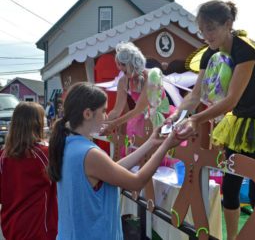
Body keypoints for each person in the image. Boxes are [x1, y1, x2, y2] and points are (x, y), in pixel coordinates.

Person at [164, 0, 255, 240]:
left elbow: (232, 99)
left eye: (211, 29)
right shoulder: (208, 54)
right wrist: (177, 115)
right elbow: (196, 94)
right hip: (238, 124)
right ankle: (233, 238)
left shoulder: (245, 50)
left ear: (228, 24)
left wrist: (196, 120)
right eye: (202, 31)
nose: (206, 36)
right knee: (230, 187)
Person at [47, 82, 183, 240]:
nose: (106, 116)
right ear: (88, 114)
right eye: (103, 111)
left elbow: (112, 170)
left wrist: (151, 143)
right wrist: (166, 145)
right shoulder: (89, 153)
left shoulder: (68, 144)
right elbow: (136, 181)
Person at [0, 102, 58, 240]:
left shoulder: (3, 155)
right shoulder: (45, 153)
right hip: (39, 228)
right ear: (38, 124)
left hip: (11, 226)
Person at [102, 41, 176, 139]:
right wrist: (103, 124)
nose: (120, 68)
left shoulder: (151, 77)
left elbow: (138, 109)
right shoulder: (123, 81)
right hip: (141, 120)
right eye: (119, 64)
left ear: (134, 62)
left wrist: (114, 124)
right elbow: (116, 110)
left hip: (161, 118)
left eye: (123, 64)